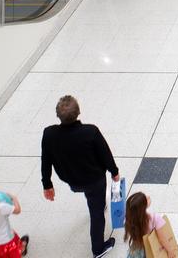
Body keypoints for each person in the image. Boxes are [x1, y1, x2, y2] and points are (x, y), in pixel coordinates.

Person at [41, 95, 119, 258]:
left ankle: (96, 203)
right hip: (94, 179)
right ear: (78, 112)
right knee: (96, 213)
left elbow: (46, 160)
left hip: (72, 180)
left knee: (91, 197)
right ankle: (98, 249)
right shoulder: (90, 132)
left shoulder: (49, 134)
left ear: (58, 115)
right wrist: (114, 171)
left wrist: (47, 184)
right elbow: (105, 154)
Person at [124, 193, 178, 258]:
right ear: (143, 207)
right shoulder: (155, 218)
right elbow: (162, 239)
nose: (148, 196)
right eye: (146, 199)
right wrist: (170, 251)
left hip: (137, 249)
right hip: (152, 248)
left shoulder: (128, 219)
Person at [0, 189, 29, 258]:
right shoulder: (1, 207)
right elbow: (17, 210)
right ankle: (21, 248)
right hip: (7, 241)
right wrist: (14, 198)